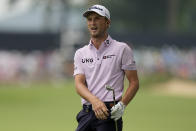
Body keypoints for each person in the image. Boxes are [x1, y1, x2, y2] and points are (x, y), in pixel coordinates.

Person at [73, 4, 139, 131]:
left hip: (108, 114)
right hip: (86, 113)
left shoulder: (122, 49)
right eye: (89, 19)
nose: (92, 23)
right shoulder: (80, 53)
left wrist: (122, 105)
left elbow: (134, 82)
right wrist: (95, 101)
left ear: (107, 22)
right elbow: (79, 84)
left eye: (97, 18)